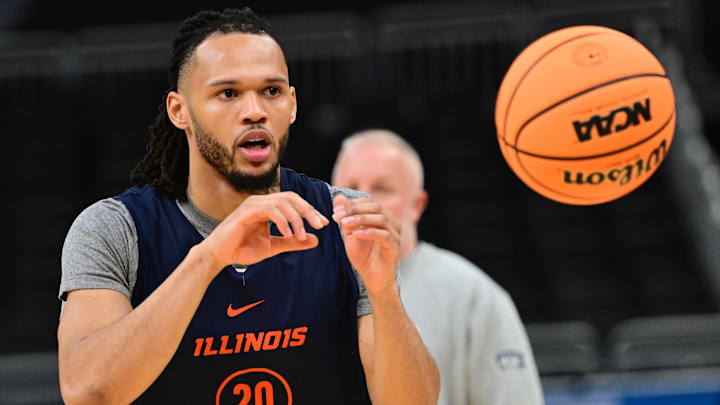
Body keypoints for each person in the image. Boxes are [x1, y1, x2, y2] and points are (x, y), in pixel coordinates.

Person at [56, 8, 439, 405]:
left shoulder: (344, 219)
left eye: (271, 91)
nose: (255, 110)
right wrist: (208, 258)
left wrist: (384, 297)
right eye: (228, 93)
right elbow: (88, 394)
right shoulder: (115, 229)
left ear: (292, 105)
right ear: (179, 110)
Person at [332, 129, 545, 405]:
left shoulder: (473, 295)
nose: (363, 200)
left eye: (382, 189)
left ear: (417, 205)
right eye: (349, 188)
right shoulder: (299, 285)